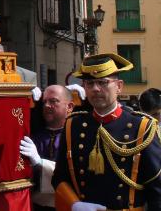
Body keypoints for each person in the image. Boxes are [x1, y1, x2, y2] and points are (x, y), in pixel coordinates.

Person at [52, 53, 161, 211]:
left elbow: (157, 188)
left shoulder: (142, 127)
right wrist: (74, 204)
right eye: (90, 83)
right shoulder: (73, 125)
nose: (96, 89)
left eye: (103, 82)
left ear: (119, 86)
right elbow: (60, 177)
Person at [20, 84, 77, 211]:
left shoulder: (76, 137)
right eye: (44, 101)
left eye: (53, 101)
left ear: (70, 107)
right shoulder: (34, 137)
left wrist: (40, 163)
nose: (46, 105)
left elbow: (72, 174)